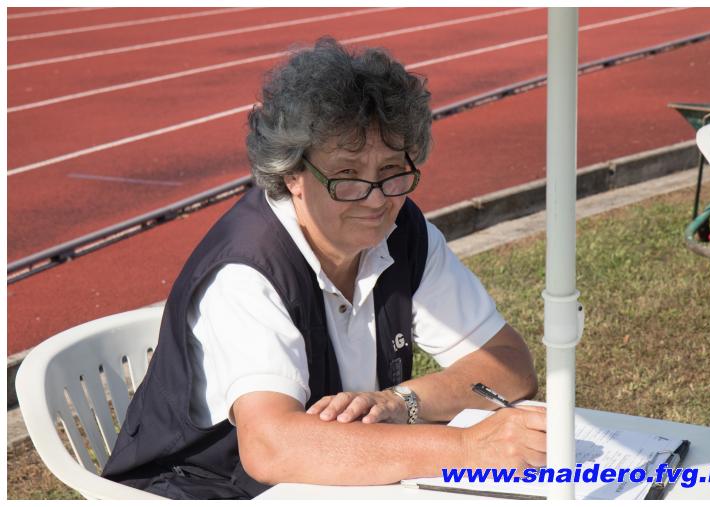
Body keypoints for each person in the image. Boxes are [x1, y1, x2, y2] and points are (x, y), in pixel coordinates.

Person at [102, 37, 545, 499]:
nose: (375, 199)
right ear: (293, 174)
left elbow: (510, 365)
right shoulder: (247, 271)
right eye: (347, 175)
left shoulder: (403, 233)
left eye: (391, 170)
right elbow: (271, 446)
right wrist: (467, 449)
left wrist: (399, 403)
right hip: (200, 490)